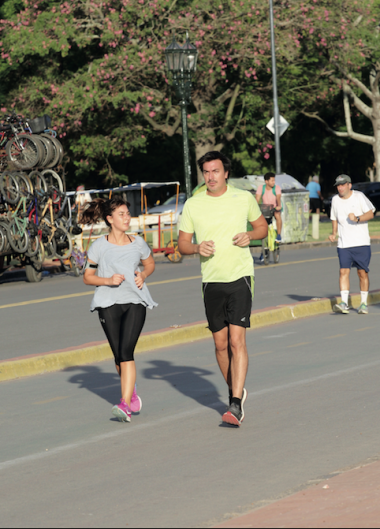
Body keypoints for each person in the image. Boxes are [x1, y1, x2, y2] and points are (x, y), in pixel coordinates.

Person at [178, 151, 268, 427]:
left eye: (215, 171)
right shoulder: (193, 204)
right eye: (206, 172)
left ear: (226, 173)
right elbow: (182, 244)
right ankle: (236, 390)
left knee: (236, 341)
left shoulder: (243, 198)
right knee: (219, 344)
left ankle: (235, 405)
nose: (210, 177)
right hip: (211, 280)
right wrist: (196, 248)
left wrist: (250, 236)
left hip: (240, 276)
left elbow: (262, 227)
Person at [82, 197, 157, 423]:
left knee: (126, 352)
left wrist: (143, 275)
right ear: (110, 219)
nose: (127, 218)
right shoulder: (98, 246)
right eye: (121, 214)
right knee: (118, 356)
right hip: (107, 303)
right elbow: (87, 277)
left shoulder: (138, 242)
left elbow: (150, 263)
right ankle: (130, 391)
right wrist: (108, 280)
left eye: (127, 213)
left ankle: (124, 405)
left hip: (135, 301)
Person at [328, 174, 375, 315]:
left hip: (361, 243)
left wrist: (358, 218)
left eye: (343, 185)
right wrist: (334, 232)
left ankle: (363, 303)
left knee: (362, 273)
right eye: (338, 185)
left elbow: (371, 213)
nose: (340, 187)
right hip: (344, 243)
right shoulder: (335, 200)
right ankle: (343, 303)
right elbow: (334, 217)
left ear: (349, 185)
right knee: (343, 271)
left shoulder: (359, 196)